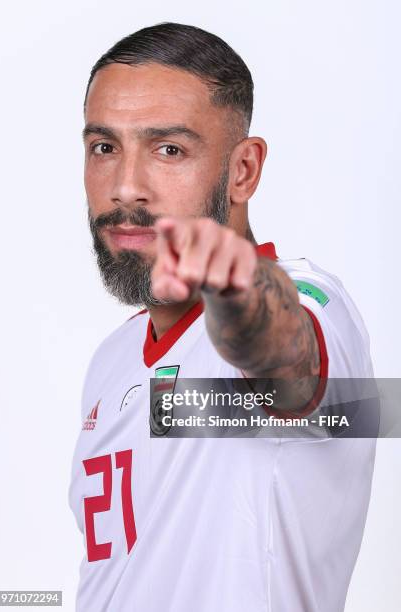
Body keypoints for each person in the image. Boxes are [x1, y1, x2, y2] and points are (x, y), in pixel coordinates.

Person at [68, 22, 376, 612]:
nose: (125, 187)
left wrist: (243, 299)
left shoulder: (311, 300)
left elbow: (290, 369)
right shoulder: (109, 364)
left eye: (169, 149)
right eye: (104, 147)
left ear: (243, 171)